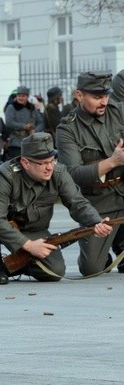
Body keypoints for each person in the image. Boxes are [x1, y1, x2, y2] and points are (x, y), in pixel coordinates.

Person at [0, 132, 111, 285]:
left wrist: (96, 222)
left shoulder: (59, 173)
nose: (49, 167)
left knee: (55, 272)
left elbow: (78, 203)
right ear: (25, 163)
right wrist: (29, 246)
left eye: (52, 160)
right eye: (43, 163)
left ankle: (15, 265)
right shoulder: (4, 175)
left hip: (34, 230)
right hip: (3, 229)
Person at [56, 70, 124, 276]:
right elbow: (73, 174)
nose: (103, 102)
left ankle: (121, 243)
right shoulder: (67, 129)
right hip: (99, 200)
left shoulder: (119, 112)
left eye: (105, 96)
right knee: (92, 268)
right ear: (79, 95)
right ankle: (109, 248)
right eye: (96, 97)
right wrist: (113, 162)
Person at [4, 86, 44, 160]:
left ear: (27, 97)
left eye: (23, 96)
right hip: (16, 143)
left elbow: (41, 122)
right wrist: (24, 126)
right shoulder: (11, 108)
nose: (21, 98)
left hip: (31, 143)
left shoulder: (32, 108)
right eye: (19, 96)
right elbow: (9, 123)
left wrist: (35, 130)